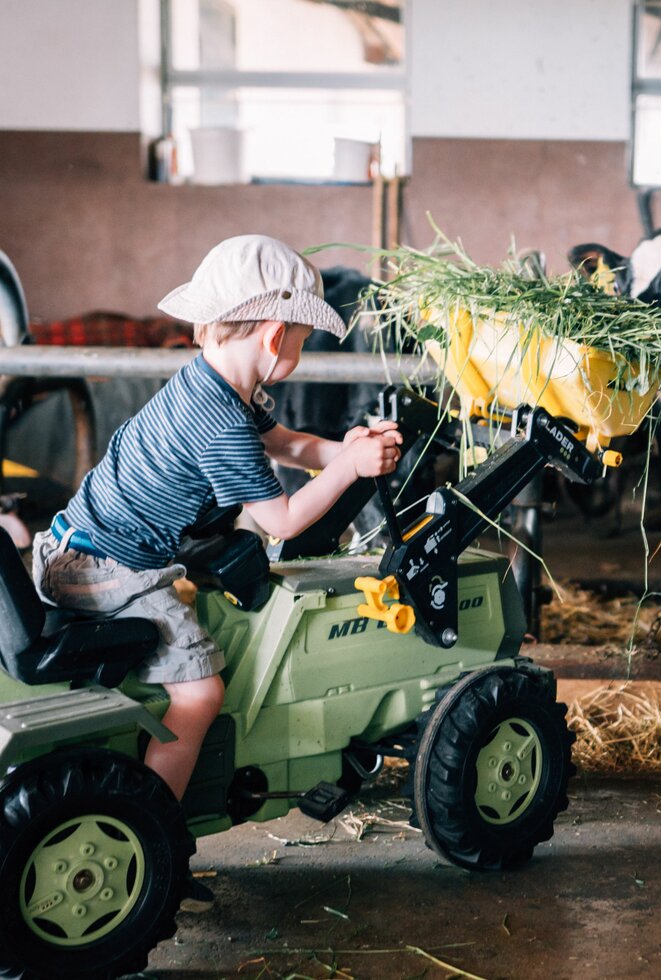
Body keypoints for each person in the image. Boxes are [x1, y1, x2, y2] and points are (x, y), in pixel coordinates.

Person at [31, 234, 401, 911]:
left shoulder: (217, 386)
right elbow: (283, 520)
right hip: (98, 566)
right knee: (200, 693)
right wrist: (347, 469)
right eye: (301, 338)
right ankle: (158, 843)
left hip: (80, 541)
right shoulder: (216, 418)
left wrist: (346, 451)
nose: (300, 351)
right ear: (272, 336)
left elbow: (285, 444)